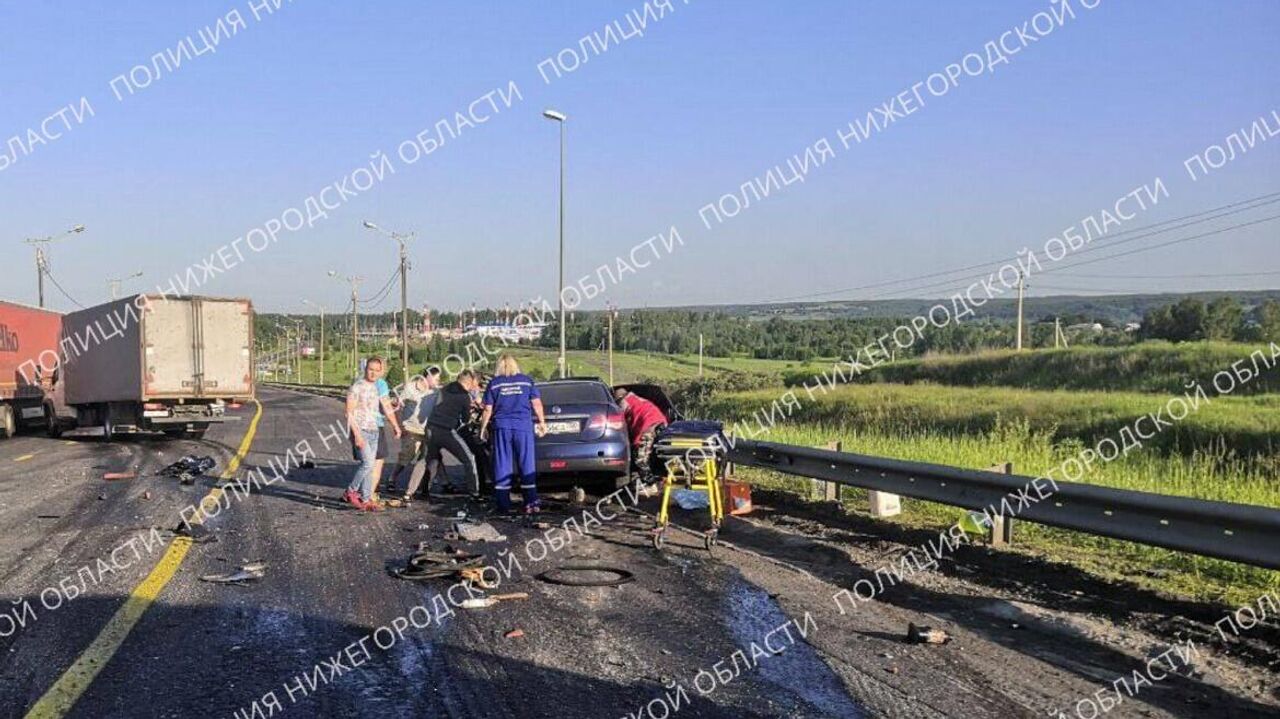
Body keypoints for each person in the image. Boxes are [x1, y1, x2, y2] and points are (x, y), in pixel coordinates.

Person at [479, 354, 548, 514]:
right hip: (523, 426)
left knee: (502, 464)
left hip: (502, 427)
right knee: (526, 463)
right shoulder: (526, 381)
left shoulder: (494, 384)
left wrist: (482, 429)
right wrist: (542, 422)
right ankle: (531, 503)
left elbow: (488, 408)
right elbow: (536, 403)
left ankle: (503, 504)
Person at [344, 357, 400, 511]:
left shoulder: (377, 387)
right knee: (367, 463)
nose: (373, 373)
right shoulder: (357, 387)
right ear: (365, 369)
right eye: (371, 369)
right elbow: (349, 413)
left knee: (370, 466)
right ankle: (351, 491)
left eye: (377, 370)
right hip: (361, 430)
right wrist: (357, 435)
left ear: (381, 372)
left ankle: (366, 499)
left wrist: (395, 425)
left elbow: (386, 406)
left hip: (374, 430)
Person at [424, 370, 484, 498]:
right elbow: (466, 419)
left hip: (430, 427)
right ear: (469, 382)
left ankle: (423, 490)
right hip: (447, 430)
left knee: (431, 460)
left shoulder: (444, 389)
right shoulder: (464, 396)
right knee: (469, 459)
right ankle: (474, 492)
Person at [389, 366, 442, 503]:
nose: (438, 381)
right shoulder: (410, 388)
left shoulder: (436, 392)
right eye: (436, 378)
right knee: (406, 458)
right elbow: (397, 407)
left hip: (427, 430)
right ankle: (392, 478)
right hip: (411, 428)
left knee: (426, 459)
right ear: (428, 376)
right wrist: (399, 426)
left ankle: (414, 490)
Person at [615, 388, 668, 483]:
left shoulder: (624, 402)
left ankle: (651, 484)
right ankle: (655, 479)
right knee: (654, 456)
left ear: (620, 397)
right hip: (660, 423)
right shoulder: (638, 399)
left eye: (616, 401)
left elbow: (619, 419)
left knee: (640, 459)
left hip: (648, 427)